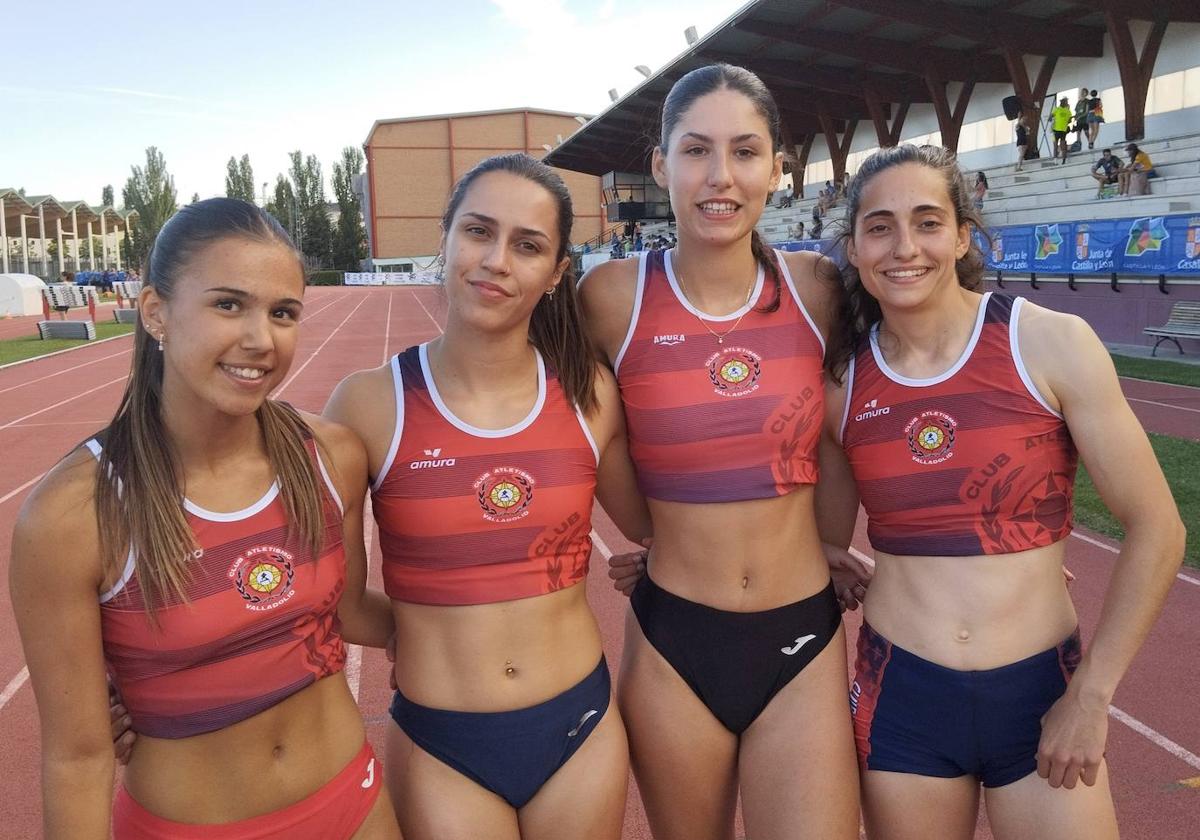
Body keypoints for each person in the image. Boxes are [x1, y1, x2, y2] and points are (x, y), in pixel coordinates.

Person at [822, 144, 1184, 840]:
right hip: (903, 698)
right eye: (880, 227)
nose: (905, 247)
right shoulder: (844, 383)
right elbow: (819, 539)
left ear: (962, 236)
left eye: (928, 222)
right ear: (855, 247)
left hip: (1040, 692)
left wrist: (1092, 694)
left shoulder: (1047, 344)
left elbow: (1157, 528)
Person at [10, 198, 400, 839]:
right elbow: (78, 757)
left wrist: (491, 622)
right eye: (228, 304)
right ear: (156, 311)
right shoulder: (74, 514)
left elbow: (352, 611)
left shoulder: (331, 456)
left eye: (283, 313)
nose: (259, 339)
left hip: (353, 807)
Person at [324, 153, 651, 840]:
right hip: (444, 745)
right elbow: (338, 604)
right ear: (444, 240)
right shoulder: (370, 403)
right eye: (478, 231)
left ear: (558, 273)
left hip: (579, 730)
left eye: (528, 245)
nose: (496, 260)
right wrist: (429, 625)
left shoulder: (589, 395)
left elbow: (658, 526)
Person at [580, 63, 868, 840]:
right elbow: (572, 429)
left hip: (801, 636)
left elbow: (862, 427)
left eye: (745, 152)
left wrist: (833, 543)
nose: (720, 176)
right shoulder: (612, 298)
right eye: (696, 150)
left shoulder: (817, 290)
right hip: (675, 638)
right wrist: (652, 536)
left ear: (779, 166)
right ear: (659, 164)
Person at [1051, 98, 1072, 164]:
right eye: (1065, 101)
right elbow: (1051, 116)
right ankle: (1055, 160)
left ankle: (1063, 160)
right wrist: (1051, 118)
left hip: (1063, 130)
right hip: (1056, 129)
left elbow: (1070, 120)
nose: (1066, 103)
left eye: (1066, 102)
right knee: (1055, 145)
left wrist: (1068, 121)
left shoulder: (1068, 111)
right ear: (1062, 102)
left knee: (1063, 145)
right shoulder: (1057, 109)